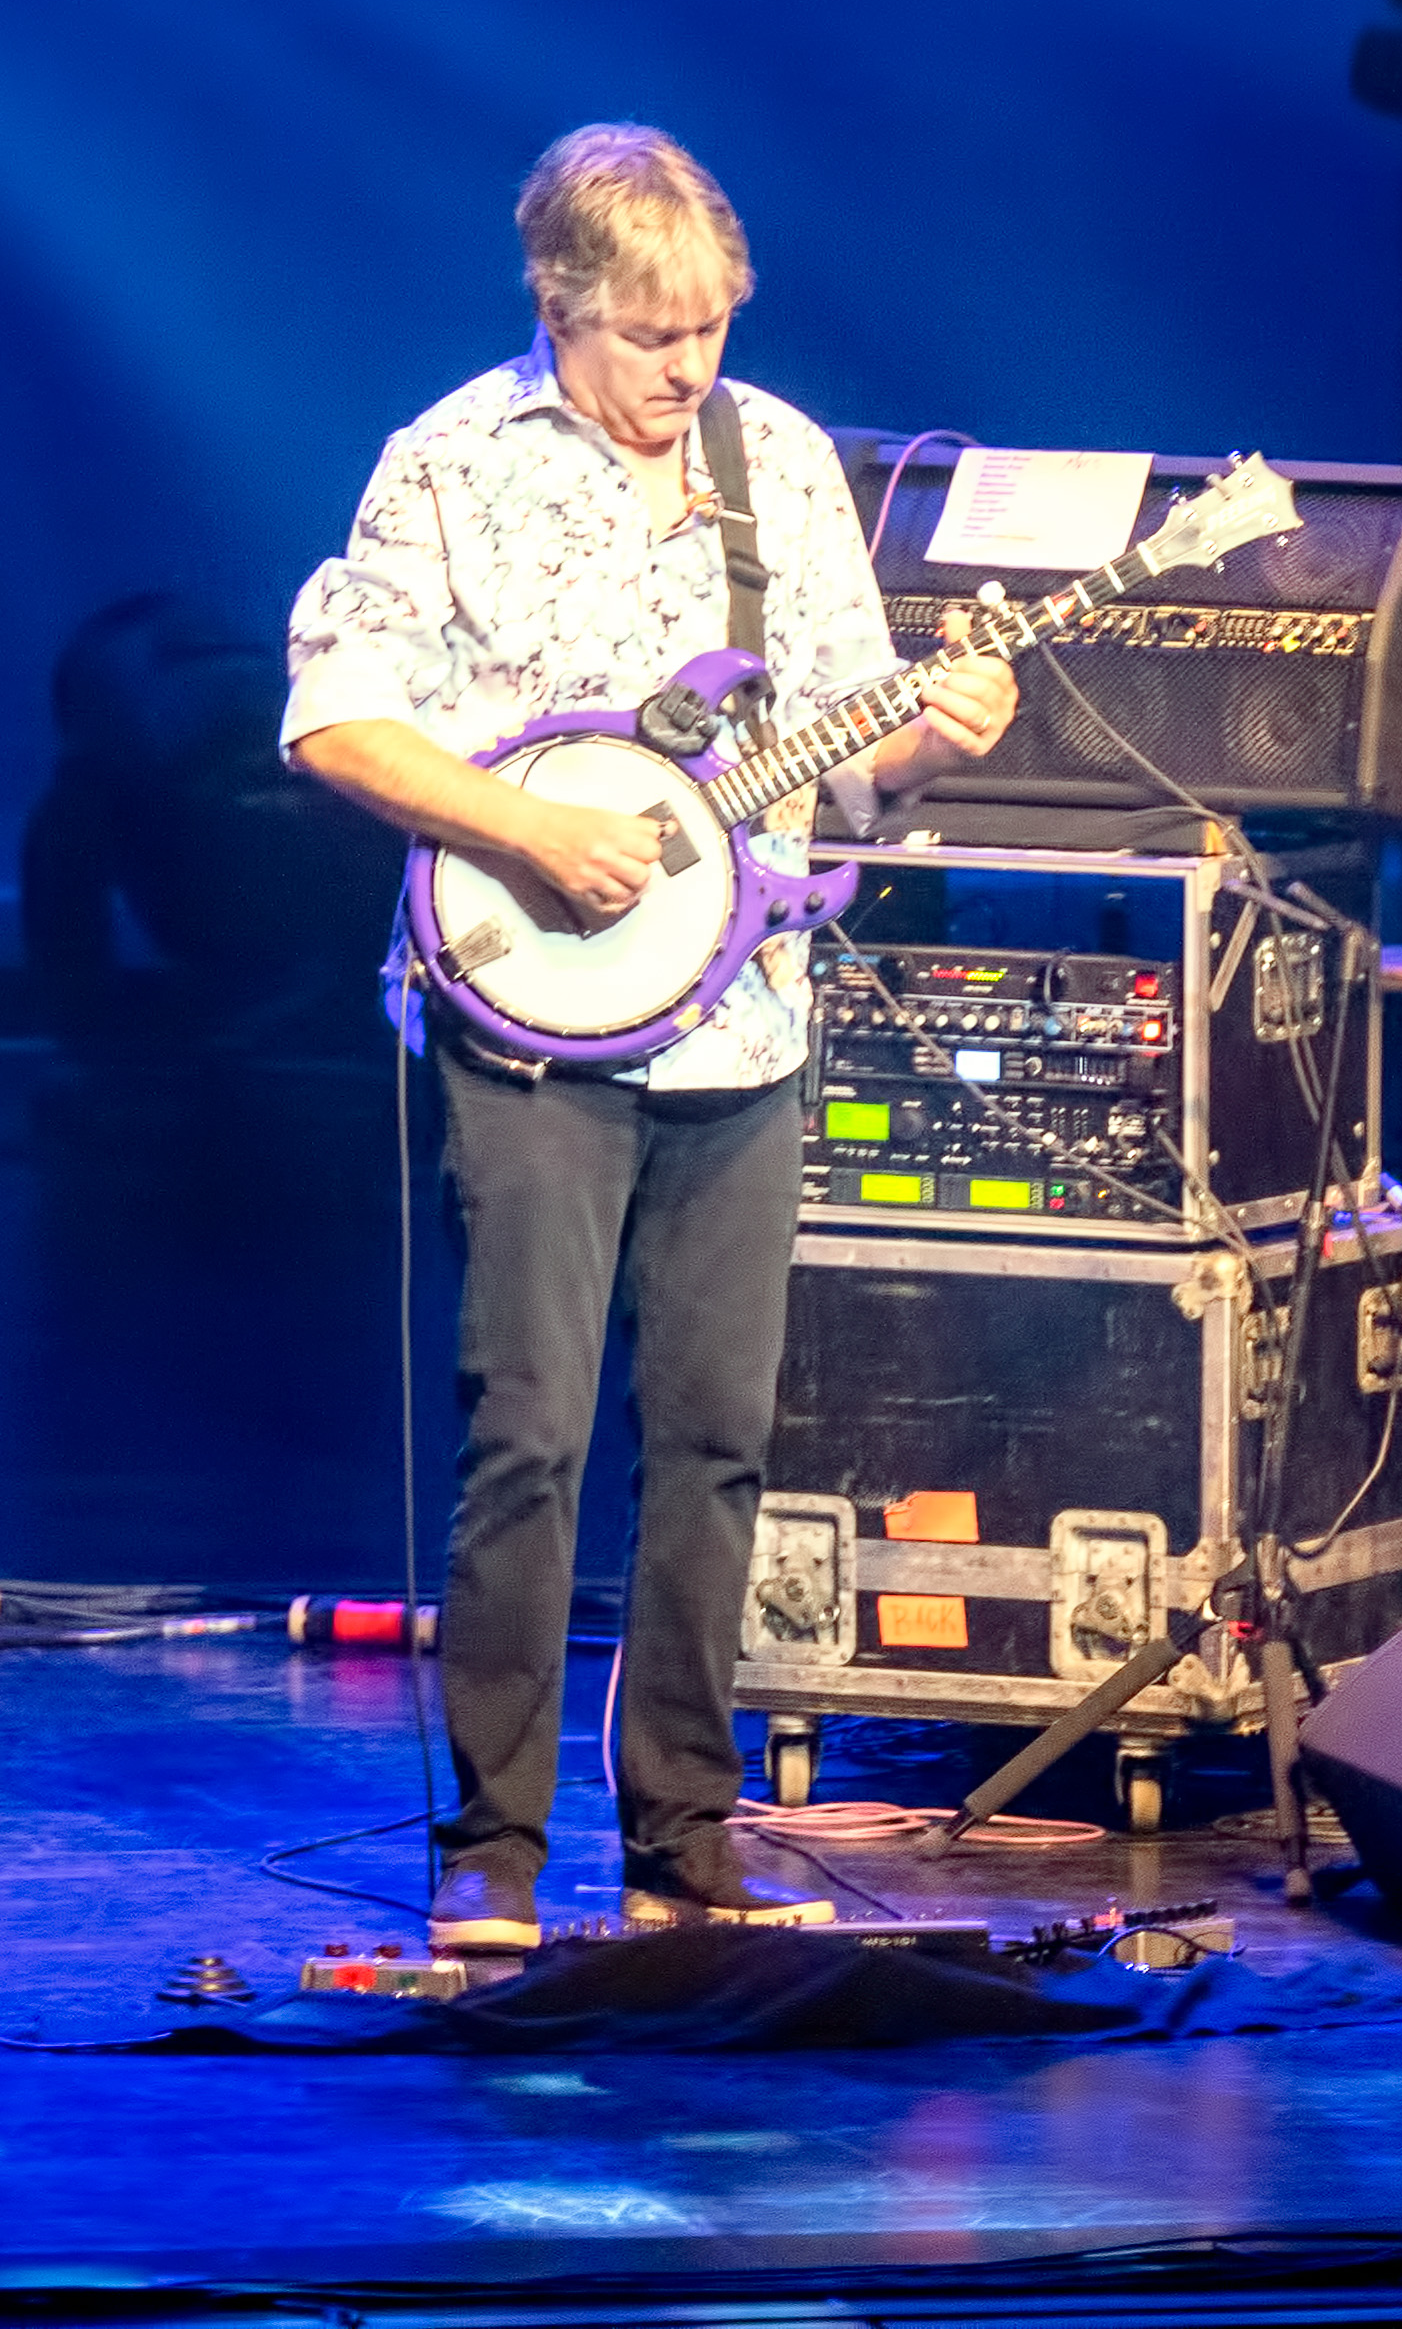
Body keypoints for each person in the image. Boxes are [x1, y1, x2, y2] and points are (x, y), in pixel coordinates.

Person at [284, 127, 1017, 1950]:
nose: (682, 372)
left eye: (707, 331)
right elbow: (330, 720)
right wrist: (530, 830)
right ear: (561, 305)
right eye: (646, 338)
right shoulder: (446, 464)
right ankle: (493, 1853)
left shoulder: (774, 463)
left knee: (717, 1437)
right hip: (527, 1014)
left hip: (743, 1019)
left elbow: (840, 751)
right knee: (525, 1434)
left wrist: (934, 736)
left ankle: (688, 1841)